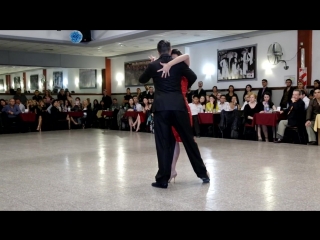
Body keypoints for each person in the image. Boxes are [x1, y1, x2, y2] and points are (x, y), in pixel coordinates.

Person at [139, 40, 210, 189]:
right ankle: (203, 174)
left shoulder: (153, 65)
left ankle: (163, 180)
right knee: (189, 141)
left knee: (164, 144)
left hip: (161, 108)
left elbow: (142, 80)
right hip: (178, 106)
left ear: (158, 51)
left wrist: (153, 65)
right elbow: (193, 77)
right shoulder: (178, 63)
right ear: (170, 50)